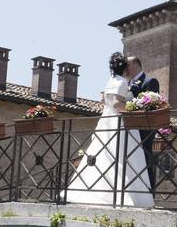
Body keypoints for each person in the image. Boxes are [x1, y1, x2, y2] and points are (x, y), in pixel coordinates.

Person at [65, 52, 154, 207]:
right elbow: (116, 104)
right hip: (120, 122)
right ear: (125, 68)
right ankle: (123, 195)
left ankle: (98, 191)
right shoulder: (122, 82)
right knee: (124, 156)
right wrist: (133, 108)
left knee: (106, 155)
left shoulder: (110, 81)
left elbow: (107, 101)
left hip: (107, 122)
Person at [126, 56, 160, 191]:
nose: (125, 68)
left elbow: (150, 105)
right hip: (129, 129)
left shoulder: (150, 81)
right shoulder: (126, 83)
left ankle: (149, 193)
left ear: (135, 65)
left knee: (145, 160)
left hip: (144, 130)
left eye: (127, 65)